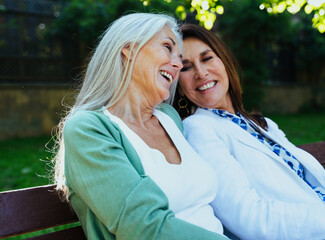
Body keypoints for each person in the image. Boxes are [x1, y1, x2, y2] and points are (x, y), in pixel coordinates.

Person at [52, 14, 229, 240]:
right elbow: (144, 227)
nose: (177, 64)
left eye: (179, 57)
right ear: (129, 50)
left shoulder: (169, 118)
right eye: (167, 47)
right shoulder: (88, 129)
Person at [174, 24, 325, 240]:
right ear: (179, 84)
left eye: (207, 58)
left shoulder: (263, 125)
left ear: (224, 61)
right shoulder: (199, 129)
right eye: (186, 68)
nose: (201, 73)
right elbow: (250, 218)